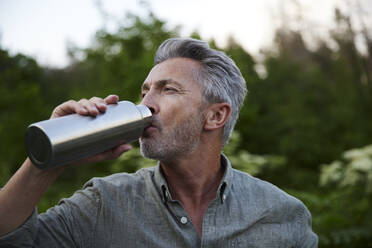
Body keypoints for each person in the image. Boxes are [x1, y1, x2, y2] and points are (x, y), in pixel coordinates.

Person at [0, 38, 318, 247]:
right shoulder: (103, 204)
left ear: (216, 116)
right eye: (145, 92)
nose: (147, 103)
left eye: (168, 90)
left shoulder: (282, 215)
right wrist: (48, 162)